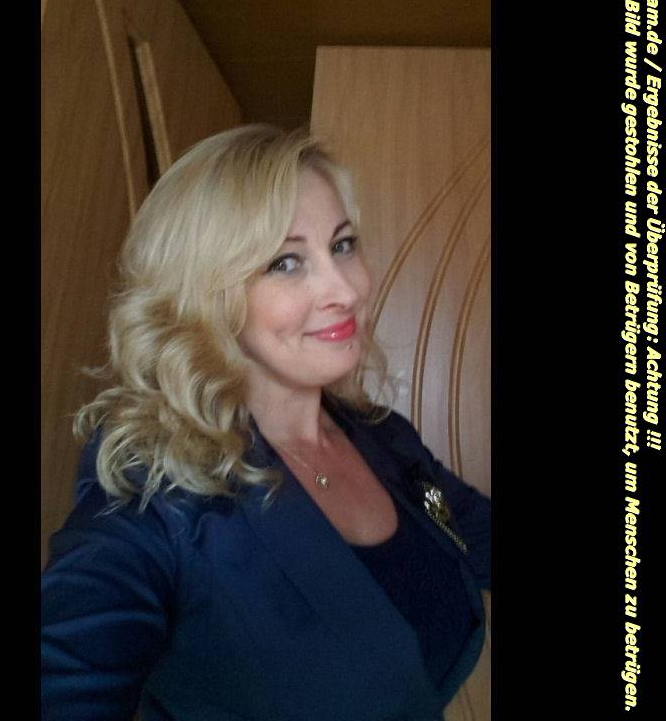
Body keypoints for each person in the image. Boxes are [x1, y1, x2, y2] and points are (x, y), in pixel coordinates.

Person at [41, 125, 491, 721]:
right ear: (205, 295)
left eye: (343, 245)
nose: (345, 289)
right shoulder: (154, 502)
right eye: (285, 262)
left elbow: (474, 530)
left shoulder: (382, 436)